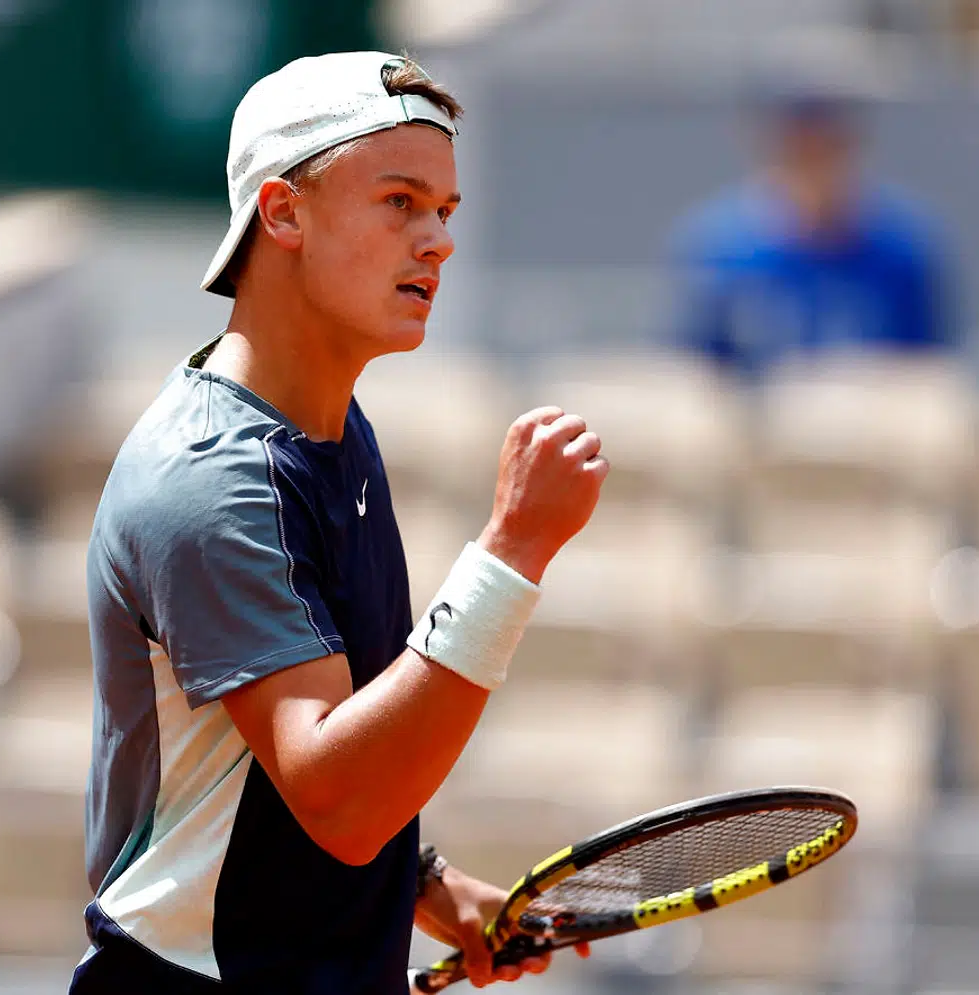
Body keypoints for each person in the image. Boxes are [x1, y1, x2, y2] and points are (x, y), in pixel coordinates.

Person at [71, 52, 606, 993]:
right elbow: (339, 799)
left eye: (445, 210)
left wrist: (426, 886)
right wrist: (512, 550)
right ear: (282, 213)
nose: (437, 239)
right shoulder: (211, 481)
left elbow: (293, 765)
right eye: (400, 201)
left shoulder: (334, 428)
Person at [672, 88, 953, 377]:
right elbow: (695, 372)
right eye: (798, 149)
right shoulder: (722, 250)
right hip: (759, 413)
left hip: (868, 412)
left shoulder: (901, 248)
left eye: (826, 147)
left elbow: (926, 368)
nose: (812, 164)